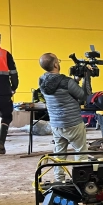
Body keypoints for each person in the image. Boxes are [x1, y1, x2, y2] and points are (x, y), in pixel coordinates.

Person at [38, 53, 88, 182]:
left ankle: (59, 180)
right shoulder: (66, 81)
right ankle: (80, 180)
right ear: (55, 64)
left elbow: (61, 90)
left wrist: (75, 80)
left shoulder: (42, 80)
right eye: (58, 60)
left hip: (56, 124)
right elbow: (83, 96)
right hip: (73, 123)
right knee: (80, 152)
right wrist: (86, 78)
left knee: (59, 154)